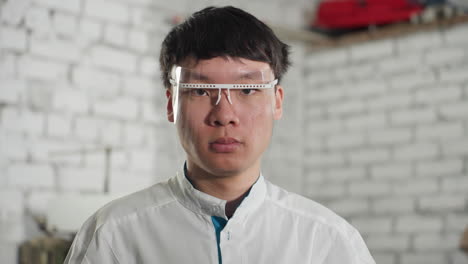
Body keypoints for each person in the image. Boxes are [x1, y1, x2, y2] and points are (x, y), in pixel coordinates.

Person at [64, 6, 376, 264]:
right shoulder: (112, 236)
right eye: (200, 89)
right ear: (171, 104)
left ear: (277, 101)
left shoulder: (327, 241)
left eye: (247, 89)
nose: (224, 114)